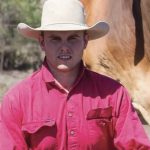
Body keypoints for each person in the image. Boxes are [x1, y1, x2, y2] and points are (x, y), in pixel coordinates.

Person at [0, 0, 150, 149]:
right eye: (55, 39)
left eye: (73, 38)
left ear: (85, 41)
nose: (64, 47)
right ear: (42, 42)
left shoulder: (114, 94)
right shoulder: (17, 100)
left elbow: (136, 146)